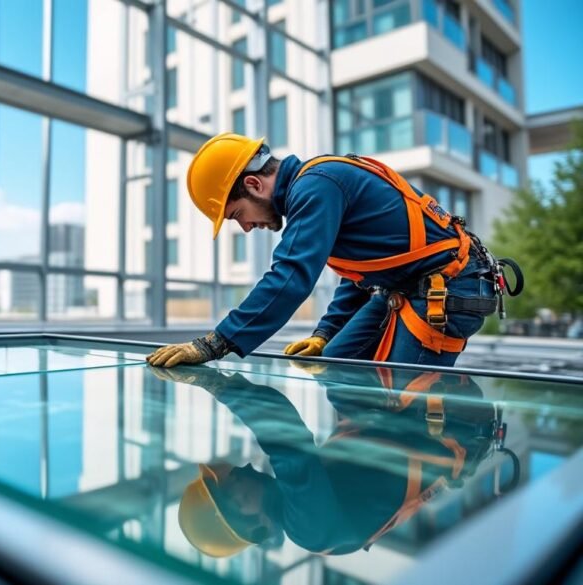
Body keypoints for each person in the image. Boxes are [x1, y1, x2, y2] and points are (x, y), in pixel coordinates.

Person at [146, 134, 516, 370]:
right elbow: (361, 271)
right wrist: (326, 332)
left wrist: (216, 343)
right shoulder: (316, 187)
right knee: (337, 364)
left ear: (254, 184)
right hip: (408, 287)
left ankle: (420, 470)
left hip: (448, 288)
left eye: (238, 215)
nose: (245, 227)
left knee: (408, 406)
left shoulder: (315, 187)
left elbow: (290, 277)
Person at [152, 365, 515, 557]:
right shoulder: (308, 528)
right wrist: (216, 384)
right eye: (231, 490)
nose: (239, 472)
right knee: (342, 353)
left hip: (431, 424)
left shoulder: (307, 519)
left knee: (337, 348)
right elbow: (286, 439)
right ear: (255, 527)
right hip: (449, 425)